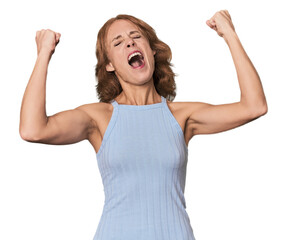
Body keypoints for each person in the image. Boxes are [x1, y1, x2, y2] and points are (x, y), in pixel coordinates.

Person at [19, 10, 267, 240]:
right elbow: (32, 129)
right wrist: (44, 55)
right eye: (118, 43)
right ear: (110, 65)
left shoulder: (182, 116)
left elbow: (254, 106)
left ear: (151, 50)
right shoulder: (98, 118)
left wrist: (230, 35)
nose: (129, 42)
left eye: (136, 37)